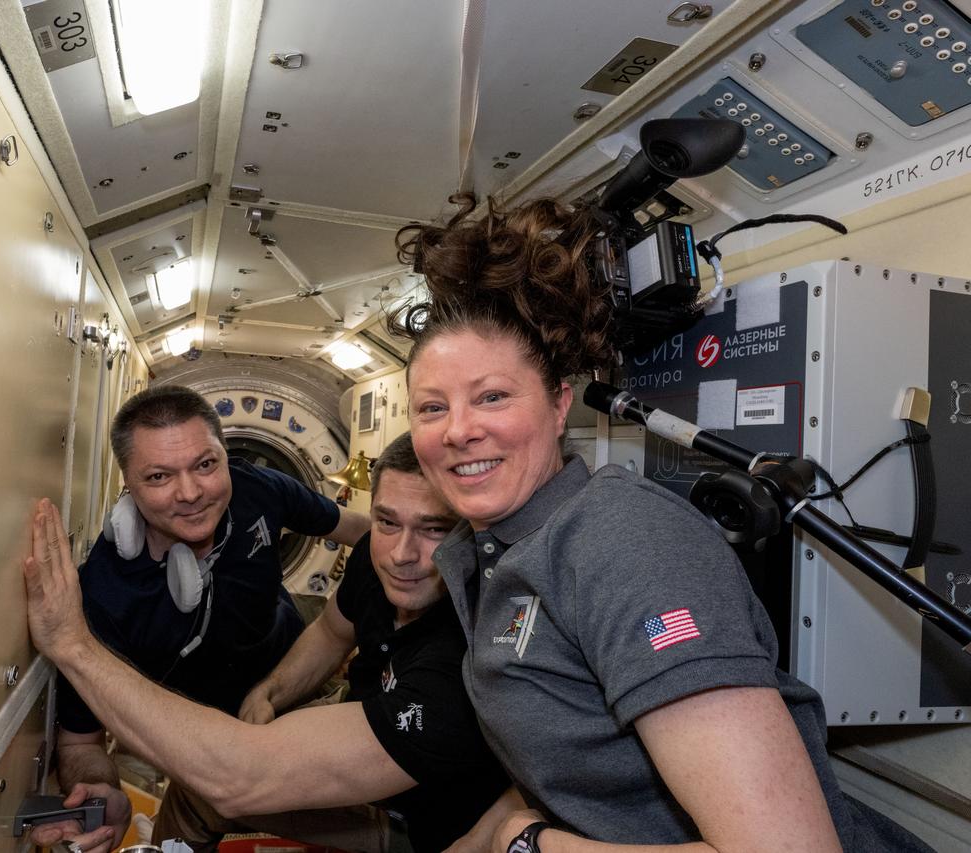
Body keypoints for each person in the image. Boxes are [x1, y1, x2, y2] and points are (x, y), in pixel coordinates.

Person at [388, 193, 934, 853]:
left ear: (559, 406)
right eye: (432, 407)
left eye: (492, 396)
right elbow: (571, 771)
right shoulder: (484, 552)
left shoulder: (624, 544)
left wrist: (531, 844)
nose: (459, 430)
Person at [23, 433, 511, 853]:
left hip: (419, 825)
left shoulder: (465, 657)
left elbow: (237, 779)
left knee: (204, 790)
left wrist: (72, 643)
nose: (402, 554)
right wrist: (269, 692)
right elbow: (330, 632)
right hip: (370, 728)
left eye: (434, 529)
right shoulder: (375, 558)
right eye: (387, 521)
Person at [36, 385, 370, 850]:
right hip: (208, 733)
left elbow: (359, 530)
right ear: (127, 483)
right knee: (191, 806)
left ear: (224, 457)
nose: (191, 493)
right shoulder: (103, 595)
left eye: (206, 465)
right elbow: (80, 744)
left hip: (297, 668)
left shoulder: (260, 487)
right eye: (159, 476)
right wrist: (101, 790)